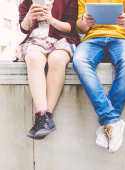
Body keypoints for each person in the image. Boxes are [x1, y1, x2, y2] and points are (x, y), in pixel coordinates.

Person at [73, 0, 125, 153]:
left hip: (122, 39)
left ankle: (107, 124)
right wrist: (84, 21)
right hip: (92, 39)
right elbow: (81, 28)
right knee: (79, 60)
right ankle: (112, 120)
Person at [15, 0, 80, 139]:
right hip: (35, 40)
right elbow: (23, 28)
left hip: (62, 39)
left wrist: (51, 20)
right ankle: (44, 117)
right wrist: (29, 17)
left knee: (56, 59)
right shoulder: (27, 1)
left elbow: (71, 26)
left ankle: (44, 117)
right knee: (33, 59)